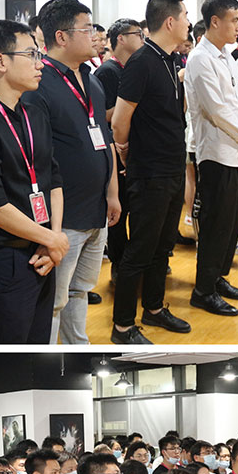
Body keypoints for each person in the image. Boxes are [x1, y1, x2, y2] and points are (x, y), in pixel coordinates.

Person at [0, 19, 68, 344]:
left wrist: (52, 238)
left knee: (39, 348)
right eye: (31, 55)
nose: (40, 64)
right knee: (10, 353)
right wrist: (52, 239)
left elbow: (53, 179)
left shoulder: (34, 112)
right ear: (1, 61)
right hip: (6, 260)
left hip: (43, 252)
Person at [26, 0, 119, 344]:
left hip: (97, 207)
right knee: (54, 299)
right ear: (61, 37)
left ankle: (77, 346)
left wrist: (112, 193)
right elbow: (36, 158)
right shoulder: (39, 83)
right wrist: (47, 227)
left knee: (81, 289)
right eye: (87, 28)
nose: (95, 35)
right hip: (63, 217)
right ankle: (49, 357)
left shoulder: (92, 79)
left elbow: (104, 137)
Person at [110, 0, 192, 344]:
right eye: (185, 16)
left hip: (173, 166)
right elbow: (120, 121)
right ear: (170, 21)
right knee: (140, 249)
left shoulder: (173, 60)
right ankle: (122, 327)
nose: (189, 22)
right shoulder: (141, 62)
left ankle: (154, 308)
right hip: (150, 171)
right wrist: (125, 152)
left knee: (163, 246)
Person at [184, 0, 238, 318]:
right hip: (216, 154)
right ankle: (203, 290)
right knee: (215, 226)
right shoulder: (200, 58)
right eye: (234, 20)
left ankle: (218, 278)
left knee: (231, 224)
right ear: (215, 21)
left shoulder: (227, 55)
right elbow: (215, 111)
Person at [94, 18, 143, 282]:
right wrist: (129, 105)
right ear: (121, 39)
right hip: (115, 148)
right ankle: (118, 262)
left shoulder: (135, 67)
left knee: (136, 209)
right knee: (118, 211)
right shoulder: (107, 72)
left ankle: (135, 261)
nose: (142, 39)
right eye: (137, 34)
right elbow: (100, 115)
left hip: (135, 148)